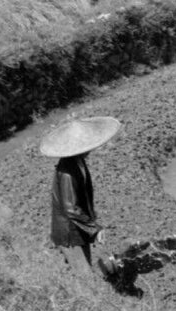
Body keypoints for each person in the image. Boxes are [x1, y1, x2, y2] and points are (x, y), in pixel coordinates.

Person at [40, 116, 122, 277]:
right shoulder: (67, 172)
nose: (91, 149)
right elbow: (70, 208)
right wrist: (94, 228)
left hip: (78, 228)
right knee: (85, 276)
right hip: (69, 232)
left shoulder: (78, 162)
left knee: (84, 269)